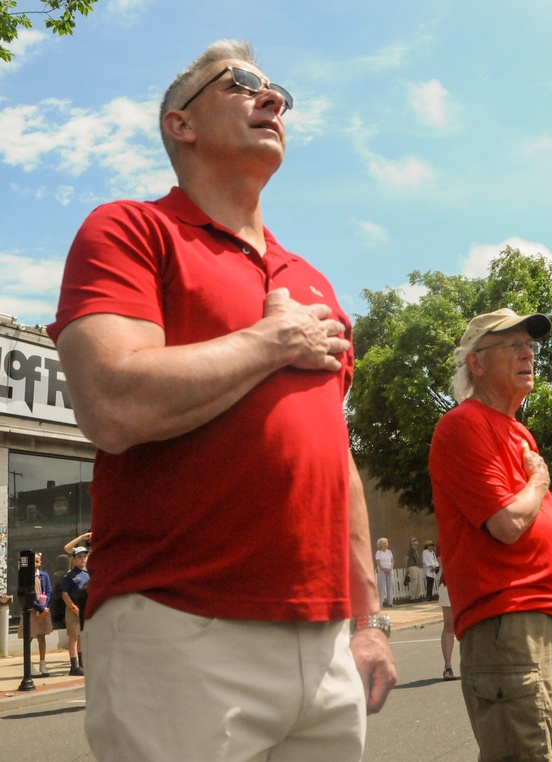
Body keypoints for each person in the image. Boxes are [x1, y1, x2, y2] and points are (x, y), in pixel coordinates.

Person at [48, 40, 395, 760]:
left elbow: (337, 462)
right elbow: (111, 403)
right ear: (181, 124)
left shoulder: (313, 282)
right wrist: (272, 342)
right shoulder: (129, 230)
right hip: (178, 631)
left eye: (280, 93)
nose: (273, 100)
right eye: (242, 84)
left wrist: (367, 622)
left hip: (325, 641)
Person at [429, 308, 552, 761]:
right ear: (476, 362)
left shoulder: (521, 432)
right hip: (509, 617)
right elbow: (507, 523)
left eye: (531, 346)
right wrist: (539, 482)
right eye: (513, 345)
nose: (529, 354)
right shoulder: (462, 425)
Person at [17, 552, 54, 678]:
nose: (35, 564)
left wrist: (44, 608)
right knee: (29, 637)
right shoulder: (25, 577)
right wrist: (38, 607)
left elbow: (49, 591)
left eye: (38, 561)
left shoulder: (44, 575)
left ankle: (42, 663)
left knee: (41, 637)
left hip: (43, 611)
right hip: (31, 610)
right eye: (33, 561)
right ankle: (29, 665)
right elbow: (27, 594)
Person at [61, 547, 89, 677]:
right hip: (74, 609)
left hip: (85, 608)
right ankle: (74, 666)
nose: (82, 559)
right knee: (73, 637)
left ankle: (82, 664)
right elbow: (65, 594)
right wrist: (73, 607)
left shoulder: (88, 573)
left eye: (84, 556)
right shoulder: (70, 575)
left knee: (82, 637)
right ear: (74, 559)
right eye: (79, 557)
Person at [437, 543, 458, 681]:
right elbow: (444, 565)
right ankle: (448, 667)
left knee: (470, 625)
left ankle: (471, 666)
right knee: (449, 625)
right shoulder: (442, 541)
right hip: (449, 584)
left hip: (470, 584)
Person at [375, 538, 394, 608]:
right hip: (382, 571)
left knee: (390, 586)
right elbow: (378, 562)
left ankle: (390, 602)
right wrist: (384, 569)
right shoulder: (378, 552)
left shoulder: (389, 552)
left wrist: (390, 568)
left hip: (389, 570)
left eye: (387, 542)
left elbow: (392, 561)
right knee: (381, 587)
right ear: (381, 544)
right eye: (385, 543)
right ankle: (380, 604)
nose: (386, 544)